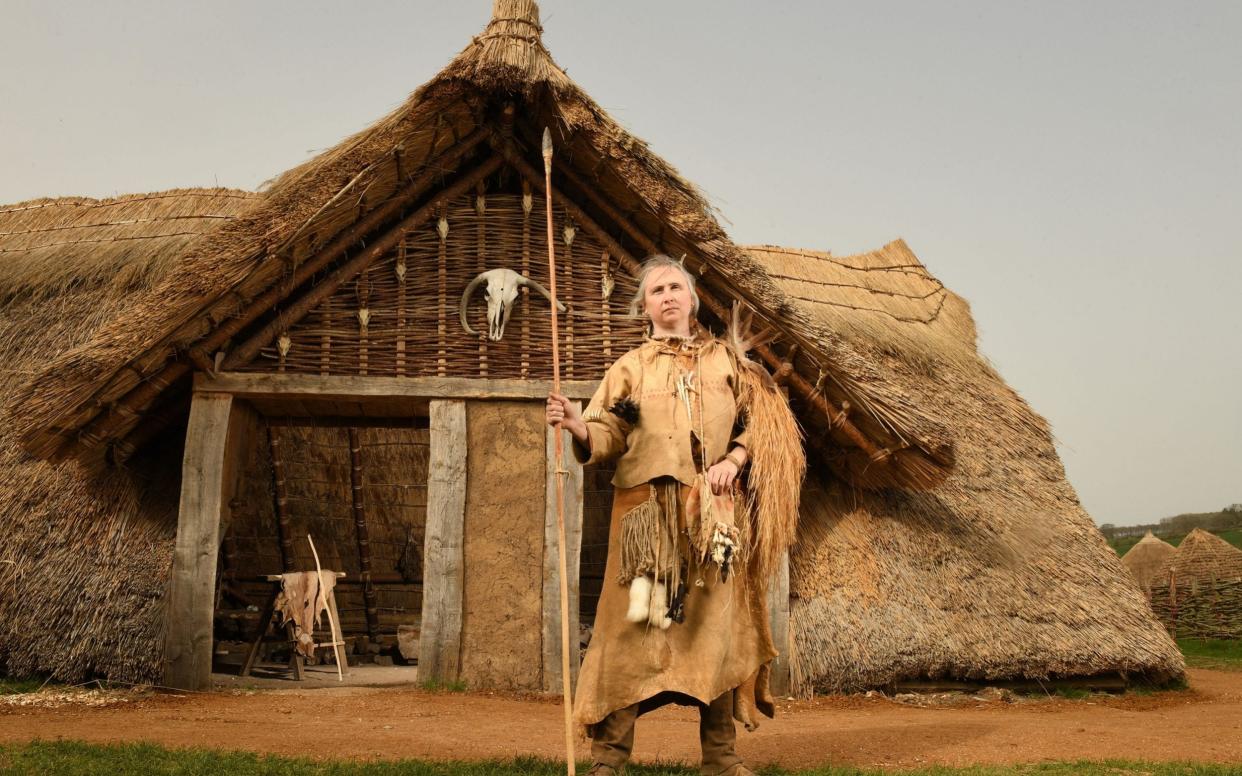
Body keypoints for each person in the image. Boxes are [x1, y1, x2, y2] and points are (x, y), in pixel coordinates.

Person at [546, 255, 802, 776]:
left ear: (692, 300)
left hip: (711, 518)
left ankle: (722, 761)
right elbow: (609, 433)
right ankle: (608, 761)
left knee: (716, 631)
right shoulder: (629, 368)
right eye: (657, 290)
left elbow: (765, 426)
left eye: (675, 288)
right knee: (627, 631)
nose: (667, 296)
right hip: (642, 519)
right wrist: (577, 425)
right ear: (645, 307)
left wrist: (734, 460)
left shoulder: (729, 363)